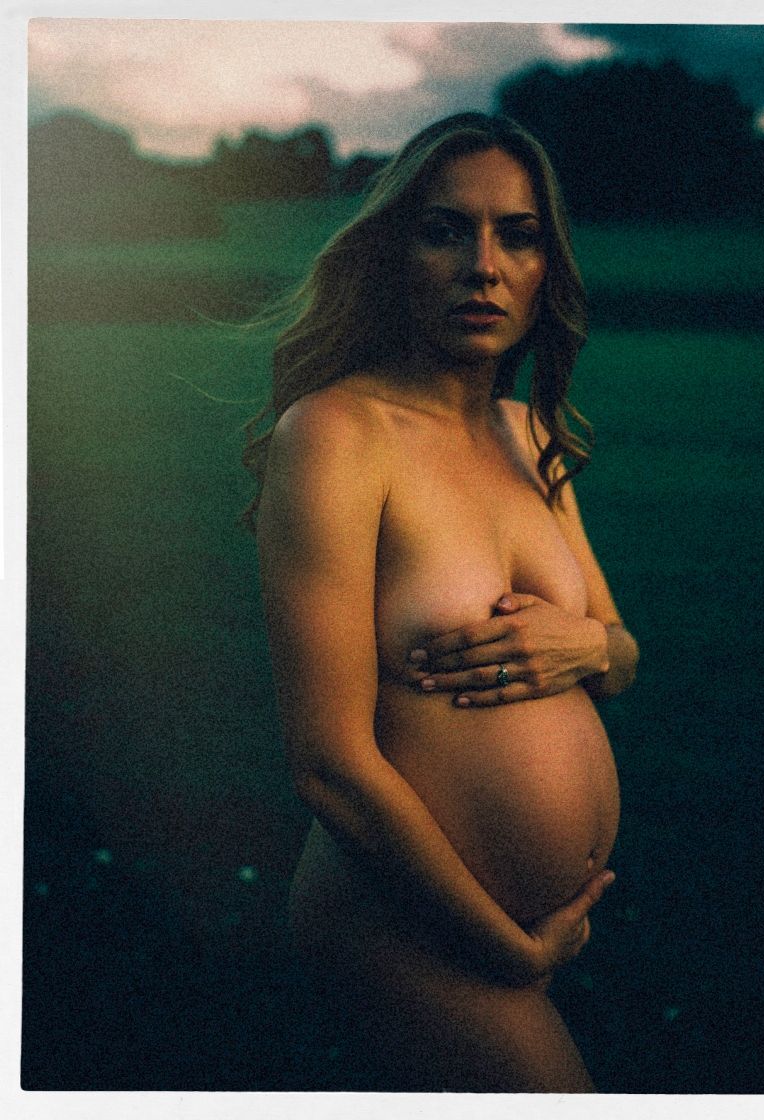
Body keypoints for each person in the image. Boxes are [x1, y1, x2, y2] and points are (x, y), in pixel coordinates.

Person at [241, 112, 639, 1092]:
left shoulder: (527, 432)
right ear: (392, 254)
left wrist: (584, 646)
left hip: (518, 928)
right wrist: (507, 949)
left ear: (547, 267)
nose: (483, 267)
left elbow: (620, 652)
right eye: (445, 231)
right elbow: (329, 767)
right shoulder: (337, 436)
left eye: (518, 235)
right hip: (401, 927)